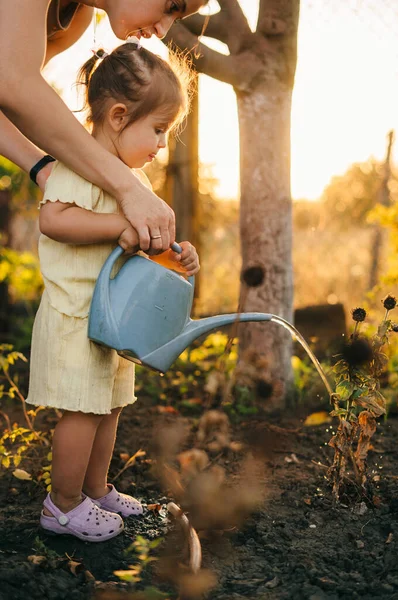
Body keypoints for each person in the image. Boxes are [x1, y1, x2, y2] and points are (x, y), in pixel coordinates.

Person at [26, 38, 200, 542]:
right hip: (76, 315)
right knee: (81, 411)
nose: (162, 144)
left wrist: (178, 253)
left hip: (112, 320)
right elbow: (53, 219)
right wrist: (114, 227)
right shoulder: (78, 165)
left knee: (108, 406)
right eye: (160, 129)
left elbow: (145, 240)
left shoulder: (133, 178)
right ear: (119, 116)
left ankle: (96, 491)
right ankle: (61, 506)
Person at [0, 0, 207, 253]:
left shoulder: (75, 18)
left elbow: (9, 94)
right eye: (172, 5)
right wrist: (129, 190)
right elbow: (12, 81)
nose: (163, 30)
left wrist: (41, 168)